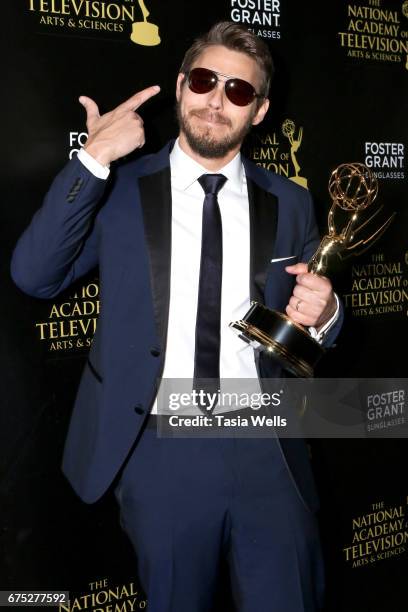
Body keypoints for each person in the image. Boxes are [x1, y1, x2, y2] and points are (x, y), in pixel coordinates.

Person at [12, 22, 342, 612]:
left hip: (266, 441)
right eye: (204, 80)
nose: (217, 99)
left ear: (260, 111)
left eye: (239, 91)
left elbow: (310, 319)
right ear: (180, 86)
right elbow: (34, 276)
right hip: (160, 447)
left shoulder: (289, 200)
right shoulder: (118, 186)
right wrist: (92, 159)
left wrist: (328, 311)